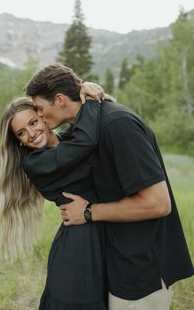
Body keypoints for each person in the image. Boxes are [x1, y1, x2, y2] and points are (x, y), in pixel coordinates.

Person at [24, 63, 193, 310]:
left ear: (59, 99)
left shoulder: (117, 125)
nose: (39, 117)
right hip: (118, 258)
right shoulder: (85, 130)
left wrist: (89, 212)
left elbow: (158, 203)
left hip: (142, 268)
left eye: (39, 109)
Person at [0, 96, 108, 309]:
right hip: (80, 246)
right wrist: (91, 98)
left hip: (102, 231)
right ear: (18, 140)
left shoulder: (69, 139)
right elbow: (86, 143)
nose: (31, 134)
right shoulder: (36, 163)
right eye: (21, 133)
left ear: (43, 116)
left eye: (33, 122)